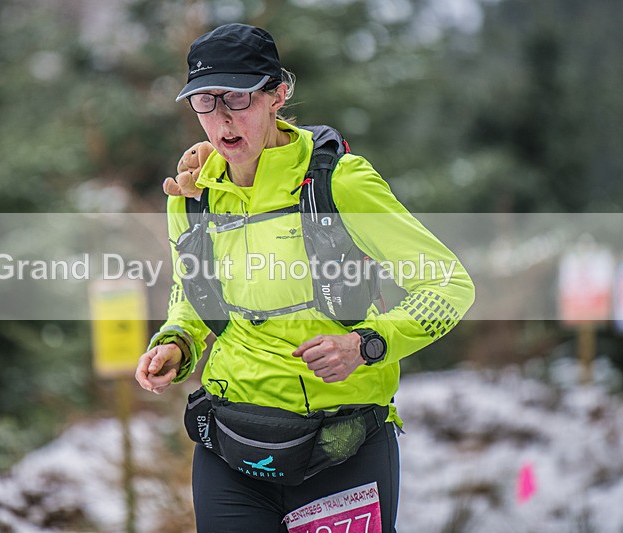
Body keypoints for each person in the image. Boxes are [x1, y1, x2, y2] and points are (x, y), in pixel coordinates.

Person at [135, 23, 475, 532]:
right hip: (233, 443)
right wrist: (178, 342)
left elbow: (449, 286)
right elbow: (195, 294)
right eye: (205, 101)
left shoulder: (340, 183)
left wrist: (366, 345)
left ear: (278, 94)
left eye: (238, 97)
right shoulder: (191, 196)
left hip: (341, 446)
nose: (222, 118)